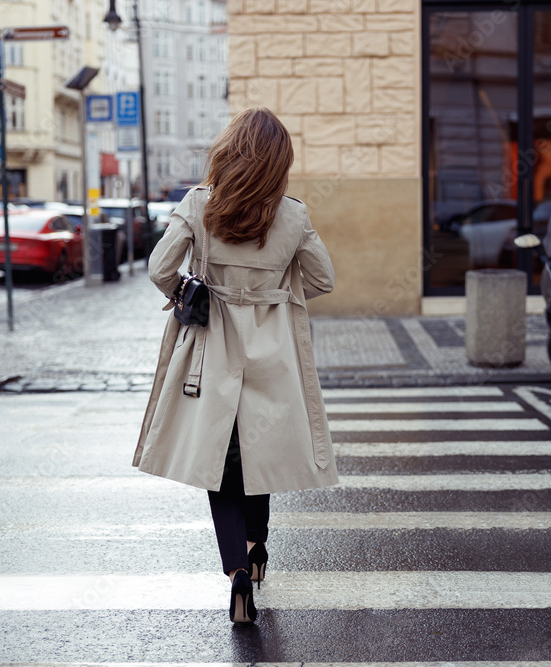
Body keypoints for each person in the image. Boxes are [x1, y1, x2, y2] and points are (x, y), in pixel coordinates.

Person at [133, 107, 338, 624]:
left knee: (219, 463)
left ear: (229, 152)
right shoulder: (292, 214)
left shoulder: (199, 204)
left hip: (210, 348)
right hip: (271, 351)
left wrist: (187, 291)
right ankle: (256, 547)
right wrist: (275, 290)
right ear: (279, 162)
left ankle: (236, 572)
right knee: (260, 452)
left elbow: (160, 268)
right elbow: (323, 280)